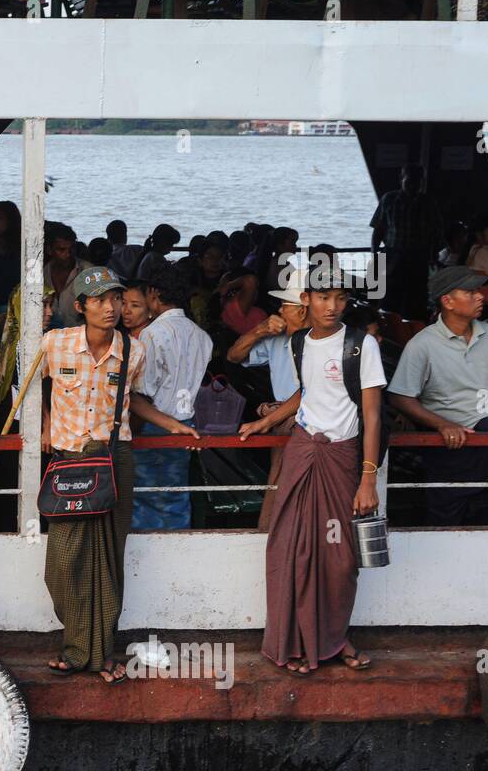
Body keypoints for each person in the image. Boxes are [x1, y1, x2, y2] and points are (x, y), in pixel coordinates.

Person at [42, 268, 199, 682]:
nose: (110, 307)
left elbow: (134, 402)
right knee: (62, 565)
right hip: (70, 461)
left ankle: (93, 654)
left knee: (109, 561)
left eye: (115, 299)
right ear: (80, 307)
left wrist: (171, 424)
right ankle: (83, 645)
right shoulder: (54, 344)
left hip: (114, 459)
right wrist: (44, 422)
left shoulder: (134, 350)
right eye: (99, 300)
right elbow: (28, 388)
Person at [239, 265, 385, 675]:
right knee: (289, 548)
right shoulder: (299, 342)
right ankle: (294, 643)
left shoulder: (361, 346)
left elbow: (372, 416)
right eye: (323, 298)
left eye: (340, 298)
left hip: (342, 456)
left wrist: (368, 477)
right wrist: (265, 423)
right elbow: (305, 393)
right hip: (303, 451)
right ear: (306, 301)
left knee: (340, 557)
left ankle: (334, 640)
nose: (333, 306)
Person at [387, 266, 488, 527]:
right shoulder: (423, 345)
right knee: (448, 513)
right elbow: (400, 398)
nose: (480, 296)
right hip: (453, 441)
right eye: (470, 292)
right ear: (448, 301)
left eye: (478, 291)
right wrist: (442, 424)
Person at [226, 269, 310, 529]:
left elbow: (310, 390)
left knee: (303, 494)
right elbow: (233, 356)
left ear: (302, 310)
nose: (280, 312)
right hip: (283, 422)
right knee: (280, 489)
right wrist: (259, 330)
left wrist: (264, 422)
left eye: (285, 306)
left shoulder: (322, 342)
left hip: (309, 425)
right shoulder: (277, 339)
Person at [131, 270, 213, 531]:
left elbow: (143, 389)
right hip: (187, 423)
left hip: (154, 423)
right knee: (176, 493)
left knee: (144, 496)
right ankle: (179, 552)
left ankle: (146, 558)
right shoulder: (202, 336)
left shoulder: (152, 334)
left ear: (154, 295)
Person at [370, 164, 443, 320]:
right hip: (393, 255)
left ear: (422, 182)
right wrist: (375, 254)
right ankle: (391, 328)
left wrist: (432, 257)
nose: (413, 185)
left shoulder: (428, 203)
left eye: (417, 182)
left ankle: (413, 328)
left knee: (416, 298)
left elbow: (436, 234)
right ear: (401, 179)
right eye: (410, 181)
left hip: (418, 257)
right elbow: (378, 229)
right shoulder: (388, 200)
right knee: (390, 296)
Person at [46, 223, 86, 329]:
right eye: (61, 250)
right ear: (49, 250)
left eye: (71, 249)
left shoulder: (89, 273)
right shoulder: (40, 275)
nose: (68, 254)